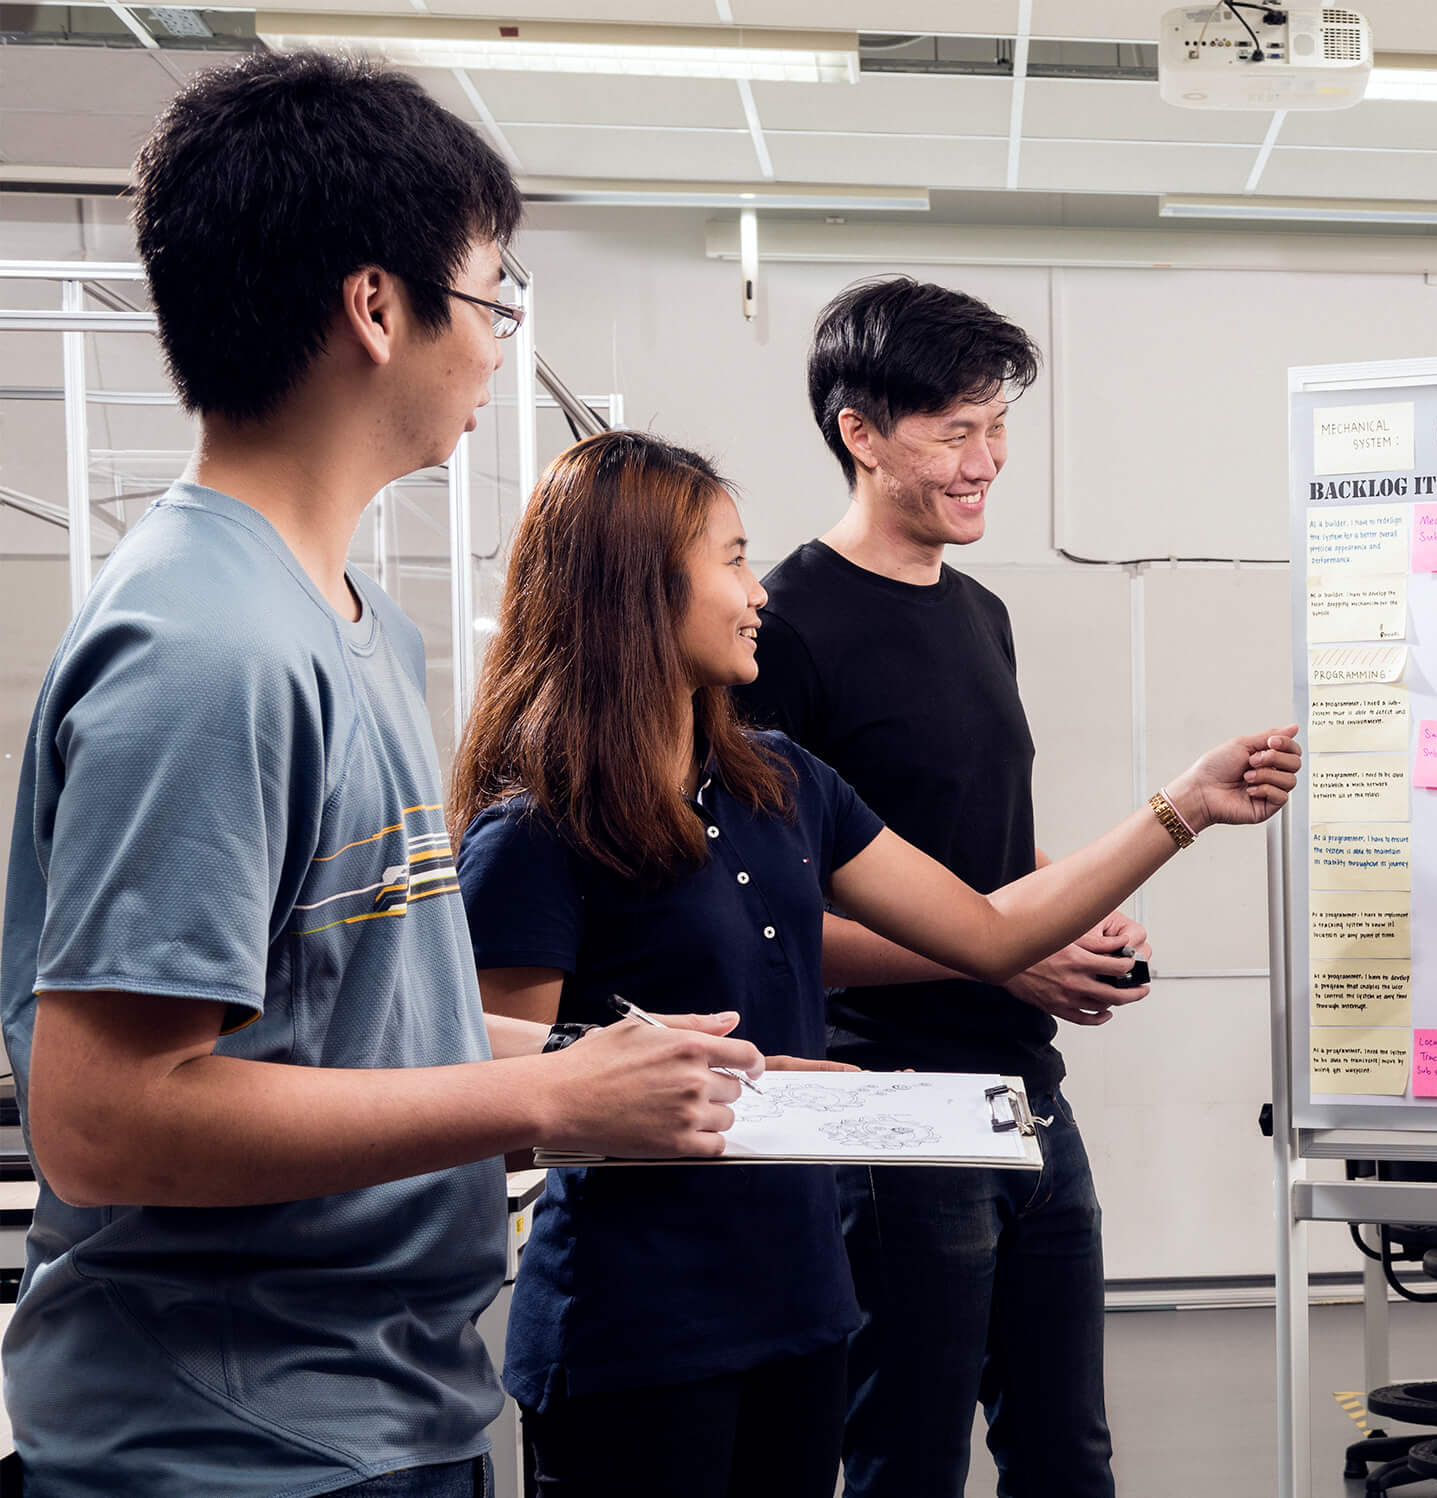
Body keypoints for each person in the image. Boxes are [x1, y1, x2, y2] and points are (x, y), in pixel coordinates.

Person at [0, 54, 764, 1498]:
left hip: (373, 1411)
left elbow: (346, 1029)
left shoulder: (345, 621)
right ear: (375, 306)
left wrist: (602, 1069)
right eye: (486, 298)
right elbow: (105, 1119)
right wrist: (543, 1106)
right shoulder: (206, 650)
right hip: (232, 1448)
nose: (491, 345)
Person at [448, 430, 1299, 1497]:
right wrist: (724, 1087)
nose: (757, 592)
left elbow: (988, 932)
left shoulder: (784, 783)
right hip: (636, 1330)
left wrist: (1184, 806)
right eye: (731, 560)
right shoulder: (536, 832)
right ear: (635, 591)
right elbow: (499, 1098)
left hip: (801, 1307)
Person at [729, 277, 1138, 1496]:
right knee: (905, 1459)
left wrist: (1063, 911)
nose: (987, 459)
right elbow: (772, 920)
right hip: (886, 1106)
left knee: (1067, 1454)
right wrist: (999, 945)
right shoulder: (779, 627)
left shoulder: (983, 613)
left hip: (1027, 1096)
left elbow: (982, 853)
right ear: (859, 432)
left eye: (996, 424)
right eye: (953, 430)